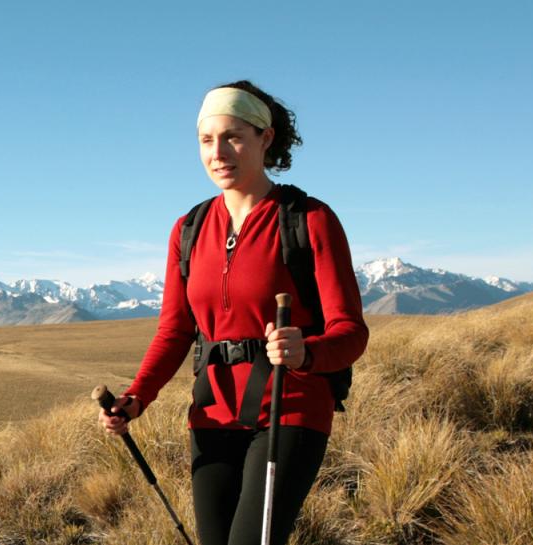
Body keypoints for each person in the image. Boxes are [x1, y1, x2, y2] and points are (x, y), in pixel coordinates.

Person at [98, 80, 368, 545]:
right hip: (212, 413)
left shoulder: (309, 218)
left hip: (291, 406)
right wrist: (136, 397)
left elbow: (351, 333)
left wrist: (306, 351)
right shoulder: (188, 229)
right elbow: (175, 330)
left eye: (233, 136)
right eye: (207, 140)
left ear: (266, 138)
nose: (218, 152)